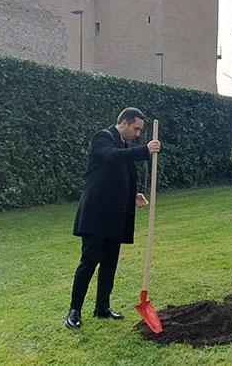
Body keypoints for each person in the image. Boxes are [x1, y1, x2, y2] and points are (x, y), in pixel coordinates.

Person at [65, 107, 161, 330]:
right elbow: (112, 157)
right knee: (89, 262)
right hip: (95, 215)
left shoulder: (124, 145)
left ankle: (102, 307)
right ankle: (74, 311)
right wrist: (144, 151)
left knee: (109, 263)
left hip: (115, 216)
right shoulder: (103, 138)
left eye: (140, 130)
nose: (138, 133)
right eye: (136, 128)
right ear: (124, 122)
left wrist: (133, 194)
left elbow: (120, 175)